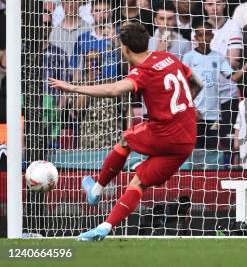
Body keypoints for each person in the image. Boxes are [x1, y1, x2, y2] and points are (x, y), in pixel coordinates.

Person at [49, 22, 203, 241]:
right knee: (138, 182)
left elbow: (113, 90)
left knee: (126, 140)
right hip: (186, 139)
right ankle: (104, 227)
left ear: (125, 48)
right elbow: (196, 84)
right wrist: (188, 108)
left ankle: (96, 191)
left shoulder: (142, 72)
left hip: (164, 132)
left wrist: (73, 87)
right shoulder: (169, 58)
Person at [183, 23, 246, 151]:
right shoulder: (188, 57)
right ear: (195, 37)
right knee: (195, 148)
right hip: (195, 113)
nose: (204, 38)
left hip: (214, 114)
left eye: (207, 34)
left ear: (212, 36)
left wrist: (245, 68)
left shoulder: (218, 57)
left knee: (212, 149)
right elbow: (183, 86)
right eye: (200, 35)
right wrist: (191, 108)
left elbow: (233, 78)